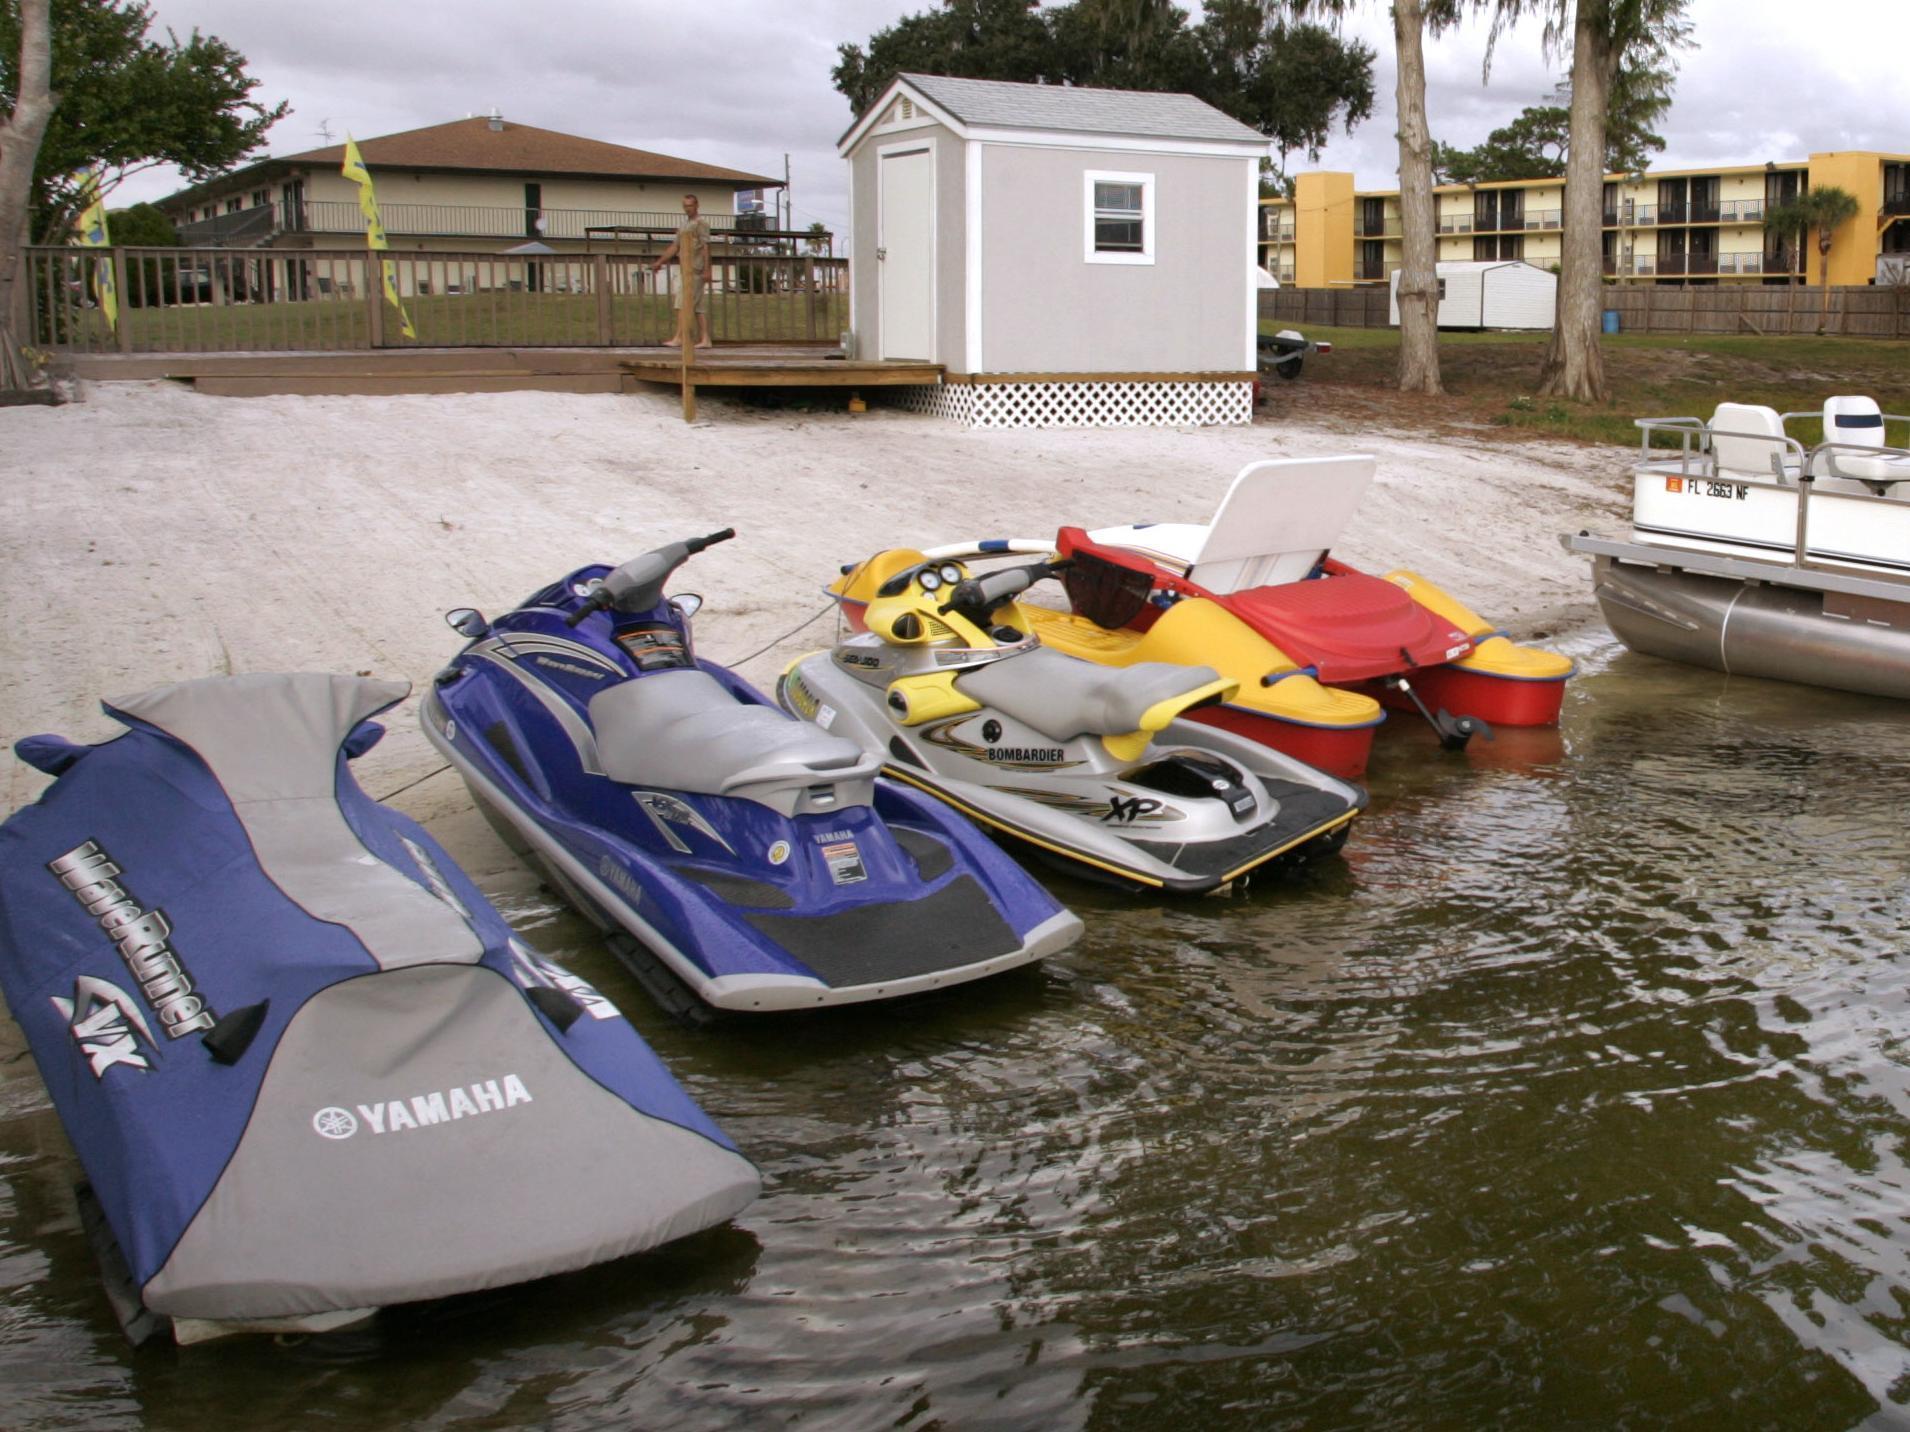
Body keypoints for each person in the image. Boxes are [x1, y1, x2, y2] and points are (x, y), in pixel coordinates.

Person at [652, 193, 713, 350]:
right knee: (697, 307)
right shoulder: (684, 225)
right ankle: (705, 339)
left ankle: (679, 337)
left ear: (696, 205)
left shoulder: (701, 223)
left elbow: (706, 247)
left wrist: (707, 269)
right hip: (685, 268)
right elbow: (675, 246)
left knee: (683, 304)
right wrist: (660, 262)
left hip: (696, 269)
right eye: (685, 206)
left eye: (690, 205)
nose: (687, 209)